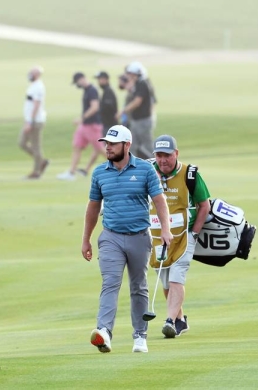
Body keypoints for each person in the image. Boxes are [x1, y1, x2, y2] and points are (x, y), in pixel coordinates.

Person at [82, 125, 173, 354]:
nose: (108, 147)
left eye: (113, 144)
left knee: (138, 287)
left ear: (127, 145)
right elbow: (93, 208)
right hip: (111, 236)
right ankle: (104, 331)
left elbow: (159, 201)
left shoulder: (145, 169)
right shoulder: (100, 172)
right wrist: (86, 239)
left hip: (139, 236)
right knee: (110, 283)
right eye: (106, 143)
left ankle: (140, 335)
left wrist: (165, 229)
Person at [149, 135, 211, 338]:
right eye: (159, 155)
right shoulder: (148, 171)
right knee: (166, 281)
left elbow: (204, 205)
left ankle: (169, 320)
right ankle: (180, 320)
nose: (162, 160)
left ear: (176, 154)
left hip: (185, 236)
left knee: (177, 277)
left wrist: (194, 234)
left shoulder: (189, 174)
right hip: (158, 236)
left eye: (167, 155)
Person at [57, 72, 106, 181]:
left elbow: (95, 107)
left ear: (81, 79)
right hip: (84, 125)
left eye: (77, 82)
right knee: (77, 146)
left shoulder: (92, 90)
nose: (77, 85)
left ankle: (121, 168)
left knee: (100, 149)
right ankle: (71, 172)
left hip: (92, 125)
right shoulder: (86, 91)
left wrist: (81, 118)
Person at [116, 62, 154, 159]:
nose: (129, 76)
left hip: (143, 120)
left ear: (135, 74)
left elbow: (137, 101)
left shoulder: (142, 84)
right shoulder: (137, 84)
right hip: (136, 120)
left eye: (130, 74)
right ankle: (135, 168)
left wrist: (123, 111)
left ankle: (157, 167)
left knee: (147, 146)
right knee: (132, 145)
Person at [19, 66, 49, 179]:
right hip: (29, 120)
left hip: (35, 121)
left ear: (37, 74)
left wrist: (30, 121)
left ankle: (36, 172)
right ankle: (42, 161)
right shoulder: (33, 86)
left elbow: (36, 104)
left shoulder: (38, 86)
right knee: (22, 143)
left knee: (36, 146)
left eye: (32, 73)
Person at [94, 71, 118, 136]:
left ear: (105, 79)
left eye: (100, 79)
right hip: (107, 124)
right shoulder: (106, 91)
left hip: (109, 124)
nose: (98, 82)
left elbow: (108, 107)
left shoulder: (108, 92)